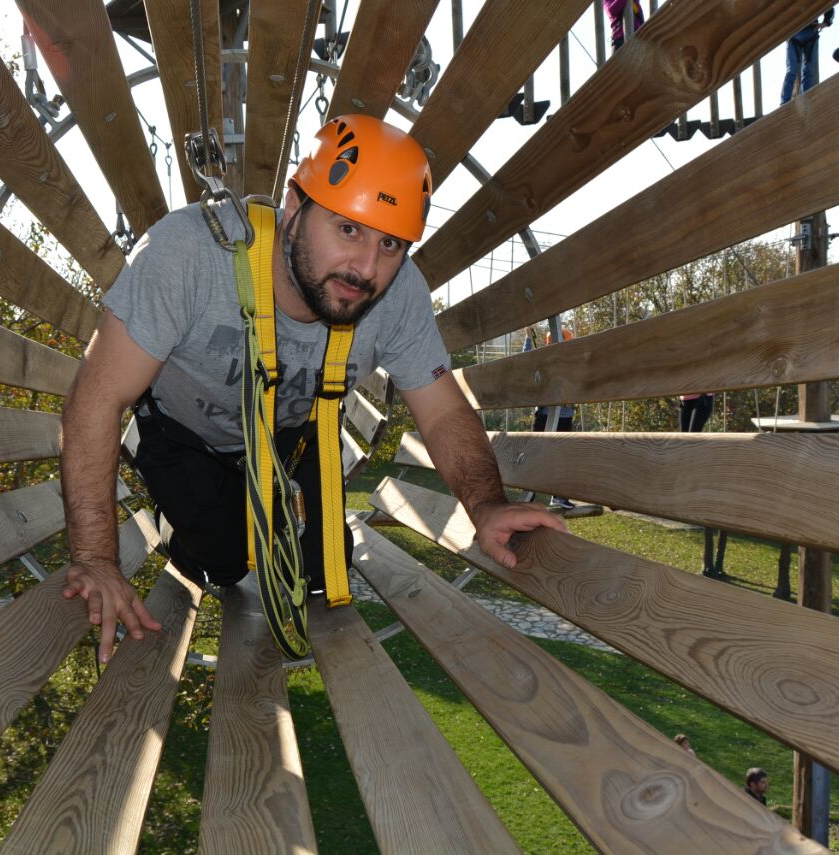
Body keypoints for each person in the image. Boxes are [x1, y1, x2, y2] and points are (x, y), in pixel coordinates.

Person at [59, 115, 568, 662]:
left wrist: (486, 505)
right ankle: (188, 522)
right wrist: (96, 559)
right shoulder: (188, 254)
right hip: (187, 439)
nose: (366, 269)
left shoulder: (398, 296)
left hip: (289, 441)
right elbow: (96, 400)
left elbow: (442, 412)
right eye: (348, 229)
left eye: (391, 243)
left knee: (325, 569)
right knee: (225, 562)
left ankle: (271, 517)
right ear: (295, 209)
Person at [525, 324, 576, 511]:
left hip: (564, 415)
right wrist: (529, 339)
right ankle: (529, 494)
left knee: (562, 456)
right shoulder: (543, 361)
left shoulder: (571, 363)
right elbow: (527, 360)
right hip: (546, 415)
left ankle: (559, 496)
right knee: (537, 455)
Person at [679, 393, 727, 578]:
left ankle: (694, 483)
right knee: (683, 442)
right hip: (686, 400)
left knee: (691, 440)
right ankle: (688, 486)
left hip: (702, 398)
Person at [781, 8, 834, 105]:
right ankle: (784, 104)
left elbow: (829, 6)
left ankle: (805, 103)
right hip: (794, 34)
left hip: (810, 32)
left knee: (808, 71)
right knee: (792, 71)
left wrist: (826, 22)